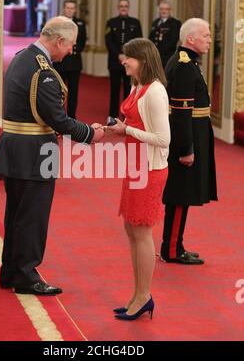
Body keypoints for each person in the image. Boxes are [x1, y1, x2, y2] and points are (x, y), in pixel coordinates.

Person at [0, 16, 104, 295]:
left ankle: (11, 271)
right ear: (59, 41)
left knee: (16, 214)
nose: (70, 52)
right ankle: (27, 276)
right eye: (71, 46)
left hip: (14, 148)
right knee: (33, 217)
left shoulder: (22, 57)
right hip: (34, 153)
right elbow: (59, 120)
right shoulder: (43, 72)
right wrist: (90, 133)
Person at [107, 38, 170, 320]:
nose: (124, 61)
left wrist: (127, 131)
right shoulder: (137, 87)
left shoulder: (155, 92)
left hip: (150, 169)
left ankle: (144, 296)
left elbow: (162, 139)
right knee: (131, 230)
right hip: (134, 167)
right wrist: (116, 130)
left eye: (128, 57)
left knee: (142, 231)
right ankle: (137, 294)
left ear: (143, 60)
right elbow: (132, 125)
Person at [161, 18, 218, 265]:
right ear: (190, 39)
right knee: (180, 194)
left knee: (183, 195)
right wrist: (187, 149)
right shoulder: (184, 65)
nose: (209, 40)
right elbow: (182, 112)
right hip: (187, 138)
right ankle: (172, 250)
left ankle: (176, 245)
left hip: (194, 134)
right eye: (205, 36)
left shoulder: (189, 61)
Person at [105, 0, 142, 120]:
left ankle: (127, 115)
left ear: (128, 7)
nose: (123, 8)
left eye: (126, 6)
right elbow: (108, 42)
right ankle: (112, 116)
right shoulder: (111, 22)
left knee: (129, 89)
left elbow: (138, 42)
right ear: (118, 7)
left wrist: (128, 56)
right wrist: (119, 55)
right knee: (114, 89)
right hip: (115, 61)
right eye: (121, 6)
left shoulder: (135, 23)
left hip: (131, 62)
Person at [54, 0, 87, 119]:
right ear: (64, 9)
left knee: (73, 92)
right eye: (67, 8)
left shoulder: (80, 23)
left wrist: (75, 50)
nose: (70, 10)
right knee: (60, 92)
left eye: (72, 8)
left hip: (74, 63)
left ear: (75, 10)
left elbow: (83, 41)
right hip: (60, 62)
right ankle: (60, 117)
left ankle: (72, 117)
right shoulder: (58, 23)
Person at [149, 0, 181, 68]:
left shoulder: (175, 23)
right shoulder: (155, 22)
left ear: (170, 10)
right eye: (161, 9)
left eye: (166, 9)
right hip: (155, 58)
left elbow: (173, 41)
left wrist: (158, 52)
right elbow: (151, 39)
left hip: (167, 58)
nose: (164, 11)